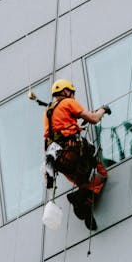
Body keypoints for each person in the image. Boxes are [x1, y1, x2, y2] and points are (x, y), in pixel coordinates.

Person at [43, 79, 111, 230]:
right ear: (66, 92)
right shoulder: (68, 103)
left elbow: (51, 137)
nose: (73, 96)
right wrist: (103, 110)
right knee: (101, 173)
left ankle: (85, 209)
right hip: (73, 152)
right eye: (72, 93)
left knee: (83, 184)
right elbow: (93, 119)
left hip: (59, 162)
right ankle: (79, 199)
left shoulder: (48, 112)